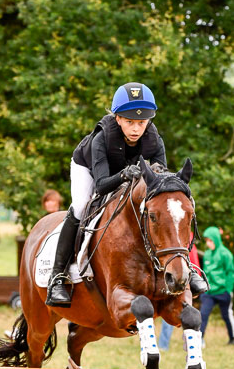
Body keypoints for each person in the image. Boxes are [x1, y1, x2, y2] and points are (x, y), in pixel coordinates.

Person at [45, 82, 209, 306]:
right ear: (117, 118)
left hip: (128, 173)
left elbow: (160, 184)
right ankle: (57, 277)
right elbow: (102, 185)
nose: (135, 129)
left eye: (141, 123)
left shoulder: (154, 139)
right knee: (82, 206)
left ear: (149, 121)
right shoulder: (101, 138)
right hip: (91, 170)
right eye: (129, 121)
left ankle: (186, 268)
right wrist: (123, 175)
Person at [199, 226, 234, 346]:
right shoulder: (207, 254)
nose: (208, 243)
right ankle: (200, 338)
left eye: (210, 240)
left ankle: (233, 338)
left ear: (216, 239)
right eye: (207, 241)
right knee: (203, 314)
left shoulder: (226, 254)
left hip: (223, 291)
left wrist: (228, 289)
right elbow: (205, 272)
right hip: (209, 292)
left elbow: (230, 272)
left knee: (226, 315)